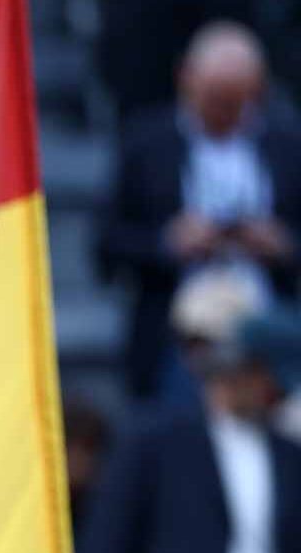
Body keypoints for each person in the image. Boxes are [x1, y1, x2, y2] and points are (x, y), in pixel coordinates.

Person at [77, 296, 301, 553]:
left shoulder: (288, 454)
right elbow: (106, 548)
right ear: (241, 370)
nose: (277, 395)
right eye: (272, 381)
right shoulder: (154, 441)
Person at [97, 21, 301, 400]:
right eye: (215, 99)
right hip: (178, 331)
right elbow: (106, 247)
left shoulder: (288, 145)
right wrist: (168, 242)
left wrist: (281, 243)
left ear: (258, 92)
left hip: (271, 326)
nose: (225, 112)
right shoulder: (145, 144)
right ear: (185, 79)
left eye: (237, 101)